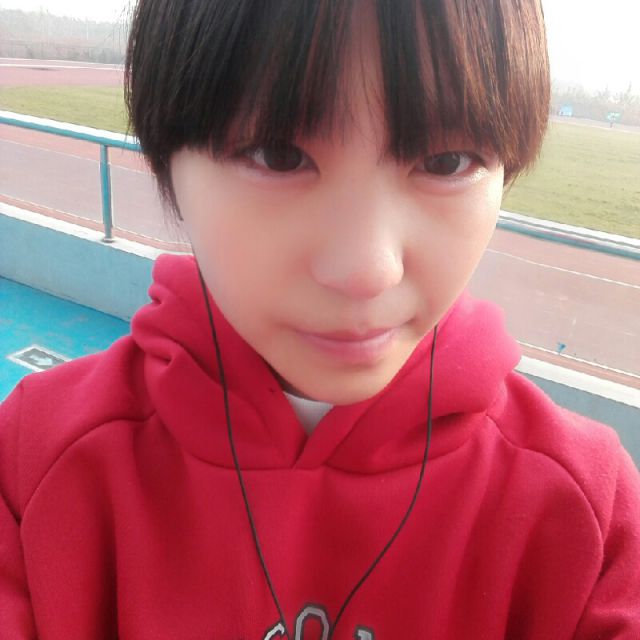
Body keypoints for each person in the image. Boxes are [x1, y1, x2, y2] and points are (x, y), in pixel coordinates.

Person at [1, 0, 639, 637]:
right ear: (165, 161)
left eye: (446, 162)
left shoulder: (591, 524)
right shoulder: (31, 472)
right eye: (278, 155)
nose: (366, 270)